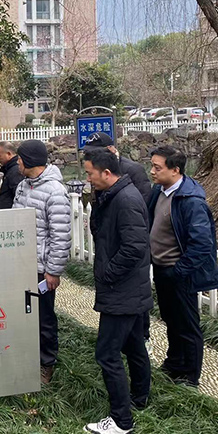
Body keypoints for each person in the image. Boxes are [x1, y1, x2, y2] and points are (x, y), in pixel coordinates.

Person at [82, 148, 152, 434]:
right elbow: (101, 231)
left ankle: (122, 424)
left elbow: (135, 247)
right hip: (128, 290)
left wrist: (108, 275)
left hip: (122, 291)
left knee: (107, 353)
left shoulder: (126, 199)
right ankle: (140, 397)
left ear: (106, 172)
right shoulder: (112, 195)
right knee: (134, 345)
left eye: (89, 173)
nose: (87, 179)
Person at [147, 145, 218, 387]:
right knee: (171, 319)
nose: (152, 171)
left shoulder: (191, 201)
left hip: (179, 273)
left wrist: (179, 272)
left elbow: (202, 244)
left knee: (187, 325)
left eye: (157, 167)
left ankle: (190, 376)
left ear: (175, 170)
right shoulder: (158, 192)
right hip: (161, 269)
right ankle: (173, 364)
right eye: (152, 166)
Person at [84, 130, 153, 353]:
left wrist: (109, 272)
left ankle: (145, 337)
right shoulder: (96, 175)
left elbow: (139, 221)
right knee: (131, 347)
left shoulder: (132, 173)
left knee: (131, 322)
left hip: (125, 263)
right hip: (110, 247)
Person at [11, 139, 70, 384]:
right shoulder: (24, 186)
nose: (17, 163)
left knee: (44, 317)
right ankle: (25, 355)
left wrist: (53, 271)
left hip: (41, 269)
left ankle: (47, 363)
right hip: (21, 263)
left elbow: (60, 234)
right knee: (23, 313)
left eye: (20, 159)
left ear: (29, 161)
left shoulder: (55, 191)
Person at [84, 131, 151, 202]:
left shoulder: (134, 170)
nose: (92, 156)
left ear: (111, 149)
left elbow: (144, 200)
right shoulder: (94, 170)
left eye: (95, 153)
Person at [0, 141, 23, 210]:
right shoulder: (10, 170)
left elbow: (18, 197)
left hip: (11, 214)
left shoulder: (15, 172)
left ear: (8, 154)